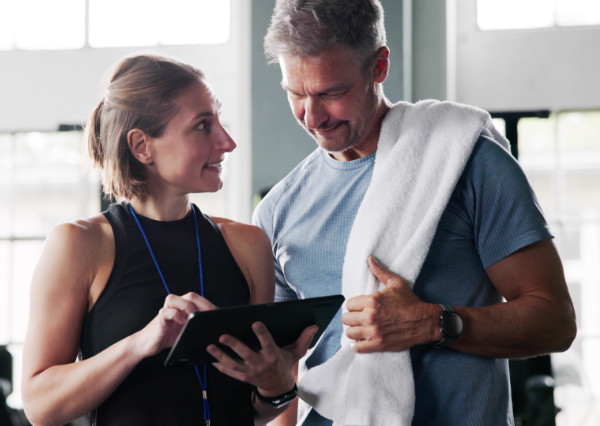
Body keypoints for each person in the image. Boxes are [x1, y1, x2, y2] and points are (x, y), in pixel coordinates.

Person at [253, 1, 577, 425]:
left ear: (379, 66)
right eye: (295, 93)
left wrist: (433, 323)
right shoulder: (278, 209)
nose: (312, 117)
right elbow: (288, 373)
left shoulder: (468, 162)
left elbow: (555, 321)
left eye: (331, 93)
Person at [21, 54, 316, 426]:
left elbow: (253, 410)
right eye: (202, 126)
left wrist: (277, 386)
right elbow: (40, 406)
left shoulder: (248, 245)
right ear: (142, 146)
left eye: (219, 120)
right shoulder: (79, 245)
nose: (227, 142)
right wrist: (139, 344)